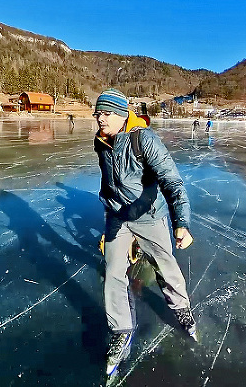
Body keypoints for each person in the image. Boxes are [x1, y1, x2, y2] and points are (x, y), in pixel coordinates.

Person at [92, 88, 197, 376]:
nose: (100, 118)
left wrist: (182, 223)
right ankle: (121, 330)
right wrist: (108, 207)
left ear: (122, 113)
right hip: (117, 216)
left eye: (106, 113)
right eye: (98, 113)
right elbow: (108, 179)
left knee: (165, 266)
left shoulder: (144, 139)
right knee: (113, 271)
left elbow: (172, 182)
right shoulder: (101, 141)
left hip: (150, 217)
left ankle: (181, 309)